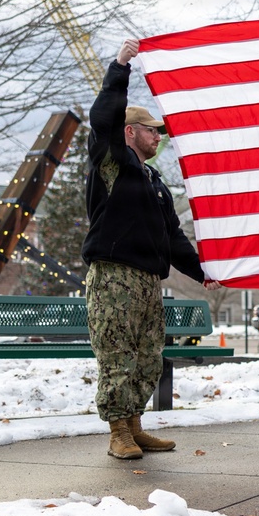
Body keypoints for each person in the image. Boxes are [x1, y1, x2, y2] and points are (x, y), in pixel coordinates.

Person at [83, 39, 221, 460]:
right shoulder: (112, 163)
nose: (158, 136)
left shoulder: (154, 180)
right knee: (117, 354)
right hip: (114, 277)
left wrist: (202, 271)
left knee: (146, 356)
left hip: (146, 281)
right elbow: (103, 118)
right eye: (152, 130)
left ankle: (136, 426)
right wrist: (120, 67)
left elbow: (174, 238)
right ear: (130, 132)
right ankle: (118, 433)